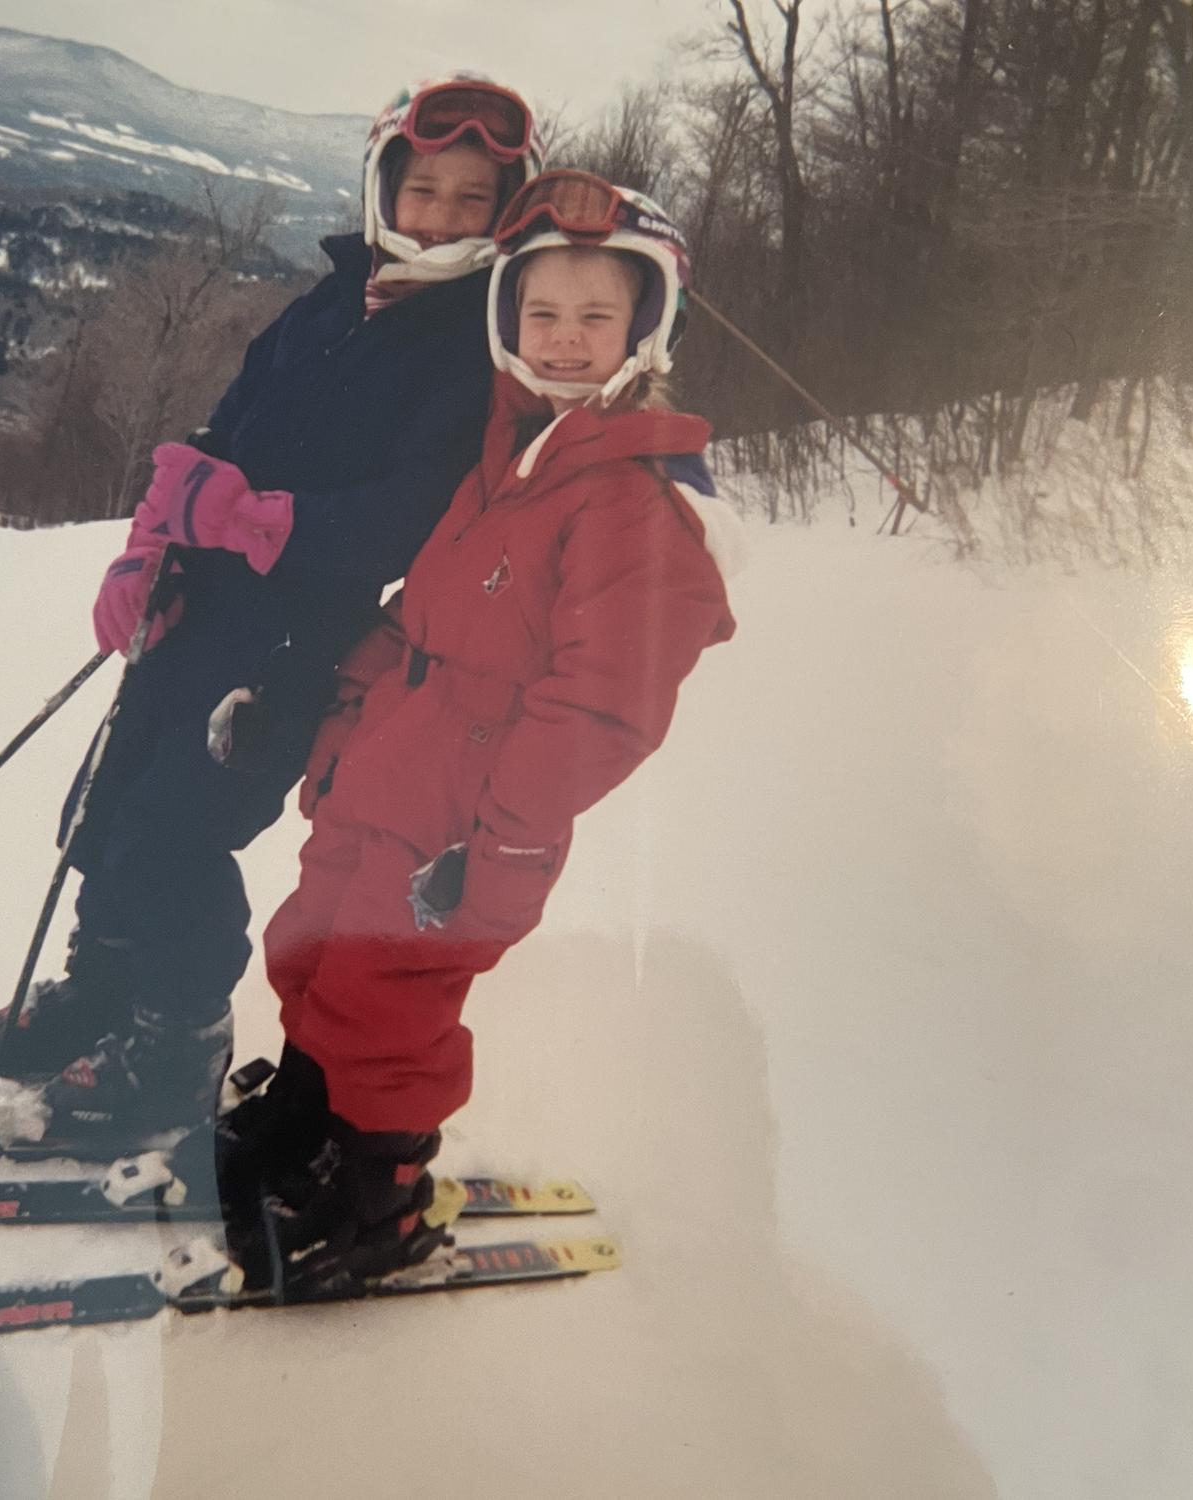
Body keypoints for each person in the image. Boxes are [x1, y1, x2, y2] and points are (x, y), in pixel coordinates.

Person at [0, 76, 548, 1142]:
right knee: (108, 802)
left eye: (470, 199)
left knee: (176, 832)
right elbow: (218, 433)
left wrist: (249, 518)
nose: (438, 214)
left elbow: (400, 523)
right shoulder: (332, 301)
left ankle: (173, 1045)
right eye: (423, 186)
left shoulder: (467, 346)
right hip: (200, 606)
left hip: (297, 639)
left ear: (502, 210)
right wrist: (152, 546)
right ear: (386, 183)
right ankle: (103, 993)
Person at [166, 170, 746, 1298]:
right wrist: (327, 710)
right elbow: (422, 617)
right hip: (386, 772)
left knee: (390, 1000)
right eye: (542, 313)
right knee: (318, 946)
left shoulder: (637, 500)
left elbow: (604, 707)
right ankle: (303, 1113)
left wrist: (507, 843)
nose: (567, 340)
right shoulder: (515, 451)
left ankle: (376, 1193)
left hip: (466, 818)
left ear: (646, 326)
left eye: (595, 317)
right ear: (506, 320)